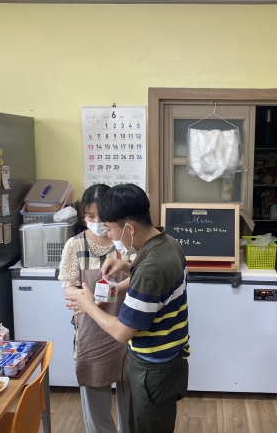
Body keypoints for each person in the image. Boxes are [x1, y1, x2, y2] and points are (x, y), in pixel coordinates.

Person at [65, 184, 189, 433]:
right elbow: (151, 287)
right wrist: (126, 268)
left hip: (153, 369)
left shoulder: (151, 268)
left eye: (110, 228)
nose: (109, 236)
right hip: (169, 359)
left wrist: (89, 305)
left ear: (129, 228)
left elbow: (122, 332)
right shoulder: (167, 244)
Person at [58, 184, 131, 433]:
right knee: (94, 393)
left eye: (102, 216)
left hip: (127, 326)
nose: (97, 222)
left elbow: (139, 278)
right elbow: (68, 286)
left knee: (130, 394)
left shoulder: (125, 241)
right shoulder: (74, 245)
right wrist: (85, 299)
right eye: (90, 216)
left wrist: (107, 294)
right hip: (90, 329)